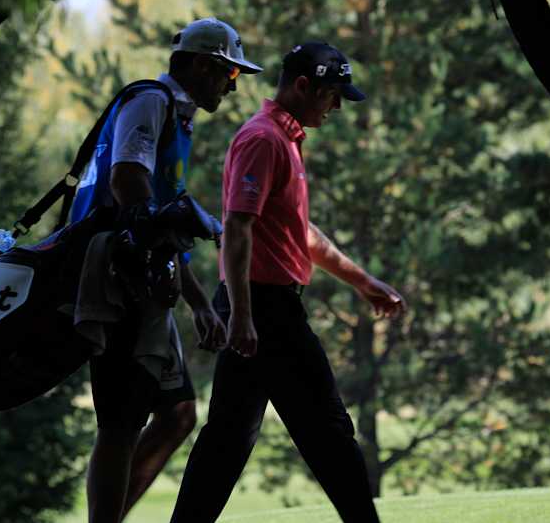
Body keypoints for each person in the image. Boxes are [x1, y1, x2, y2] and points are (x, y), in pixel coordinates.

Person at [169, 42, 405, 523]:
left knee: (228, 440)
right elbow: (237, 227)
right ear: (303, 86)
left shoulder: (285, 140)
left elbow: (301, 234)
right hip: (265, 309)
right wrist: (243, 316)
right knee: (328, 430)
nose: (337, 107)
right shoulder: (263, 139)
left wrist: (363, 282)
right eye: (332, 95)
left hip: (262, 307)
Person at [69, 18, 262, 523]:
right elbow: (128, 181)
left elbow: (163, 214)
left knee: (177, 414)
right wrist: (169, 233)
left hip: (149, 275)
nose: (232, 86)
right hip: (117, 277)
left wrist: (198, 302)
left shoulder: (177, 118)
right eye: (230, 73)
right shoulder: (151, 101)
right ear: (202, 65)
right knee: (121, 421)